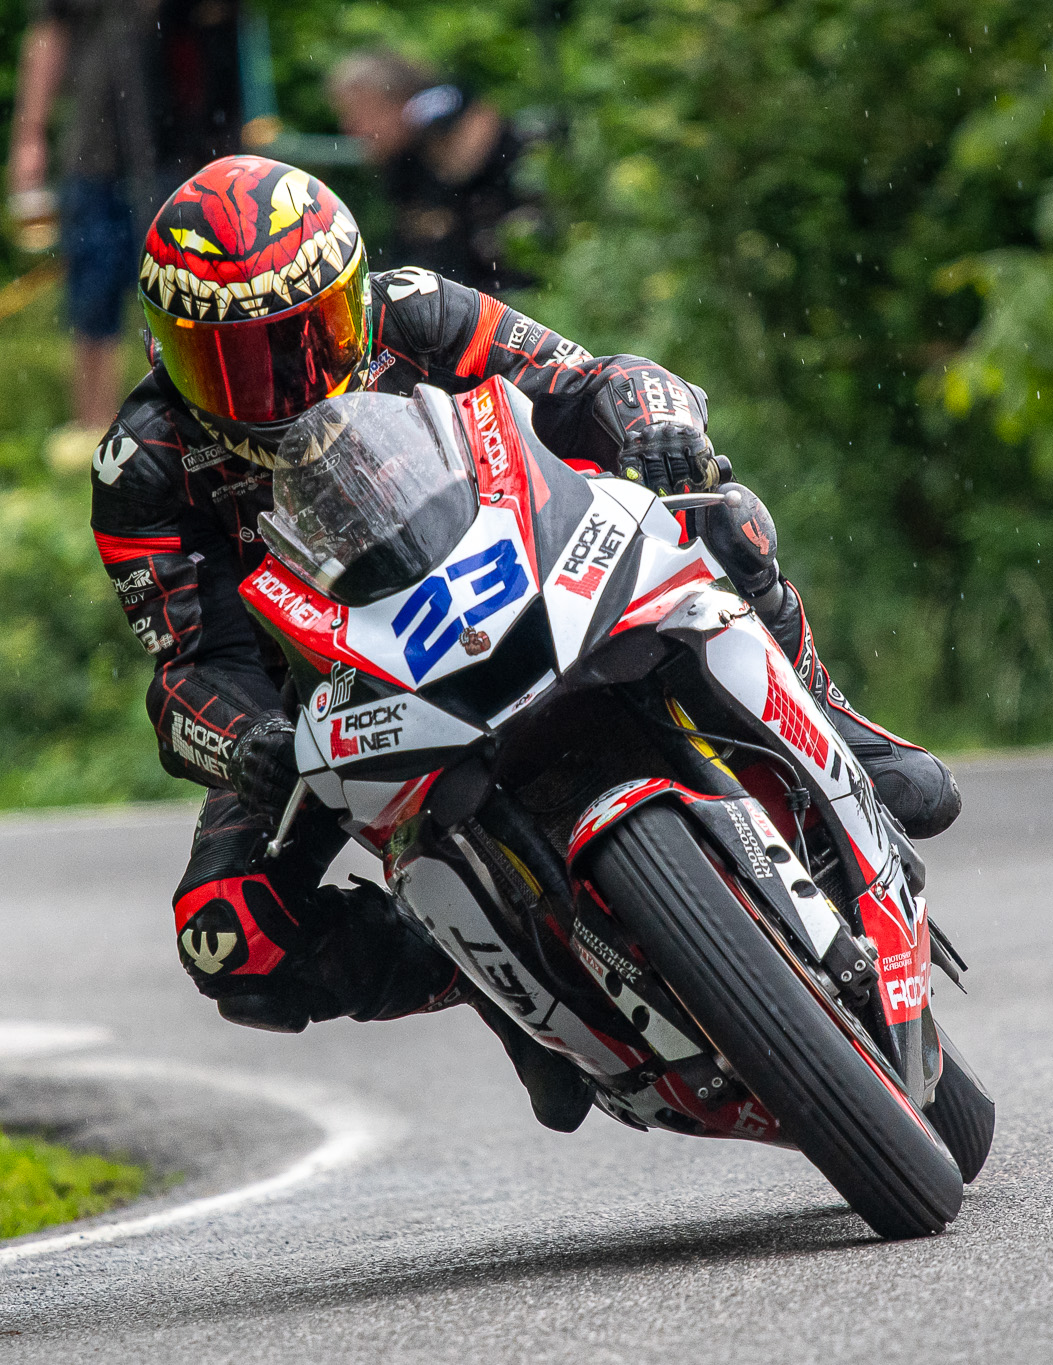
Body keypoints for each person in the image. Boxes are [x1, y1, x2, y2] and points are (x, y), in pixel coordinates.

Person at [91, 155, 960, 1130]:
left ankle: (838, 727)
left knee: (726, 516)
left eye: (307, 336)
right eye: (235, 363)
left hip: (520, 554)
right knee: (228, 939)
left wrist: (657, 422)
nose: (280, 385)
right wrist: (244, 739)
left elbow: (587, 382)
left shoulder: (416, 310)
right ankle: (489, 978)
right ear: (168, 348)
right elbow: (191, 663)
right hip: (331, 694)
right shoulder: (142, 467)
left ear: (353, 299)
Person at [10, 0, 246, 437]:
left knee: (188, 290)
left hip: (182, 153)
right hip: (94, 154)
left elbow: (226, 36)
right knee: (92, 293)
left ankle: (192, 421)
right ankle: (95, 427)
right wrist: (29, 138)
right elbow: (48, 35)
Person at [326, 47, 539, 295]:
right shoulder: (400, 165)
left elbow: (477, 129)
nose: (349, 127)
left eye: (357, 112)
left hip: (514, 281)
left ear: (394, 99)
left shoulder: (437, 105)